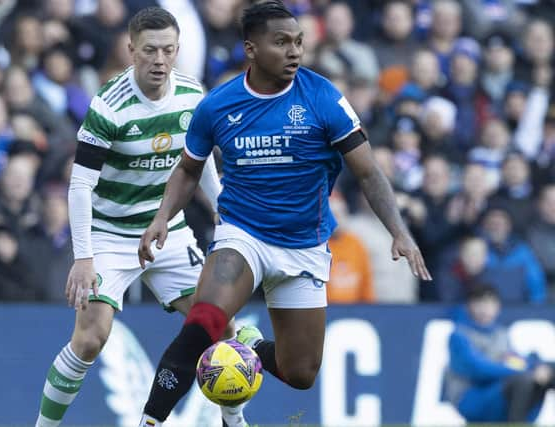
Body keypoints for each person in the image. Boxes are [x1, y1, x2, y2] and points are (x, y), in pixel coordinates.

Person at [136, 2, 431, 426]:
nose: (294, 52)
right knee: (204, 320)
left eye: (298, 42)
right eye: (281, 43)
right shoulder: (217, 105)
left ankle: (252, 348)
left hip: (304, 246)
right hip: (243, 235)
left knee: (300, 373)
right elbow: (188, 169)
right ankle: (150, 419)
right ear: (251, 49)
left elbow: (368, 172)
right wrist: (163, 215)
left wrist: (398, 231)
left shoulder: (323, 98)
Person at [33, 7, 245, 427]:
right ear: (132, 51)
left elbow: (199, 165)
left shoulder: (191, 95)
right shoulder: (109, 106)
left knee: (224, 329)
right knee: (91, 339)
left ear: (178, 50)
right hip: (109, 233)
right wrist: (84, 257)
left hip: (167, 231)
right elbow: (79, 186)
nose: (160, 60)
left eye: (168, 50)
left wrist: (226, 215)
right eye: (150, 51)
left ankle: (235, 422)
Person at [445, 284, 555, 422]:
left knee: (548, 370)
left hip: (499, 391)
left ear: (498, 307)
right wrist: (527, 369)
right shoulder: (459, 335)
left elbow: (514, 359)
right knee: (523, 379)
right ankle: (516, 423)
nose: (485, 309)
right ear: (470, 306)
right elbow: (479, 369)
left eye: (490, 304)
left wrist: (536, 365)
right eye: (480, 303)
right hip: (471, 398)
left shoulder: (500, 333)